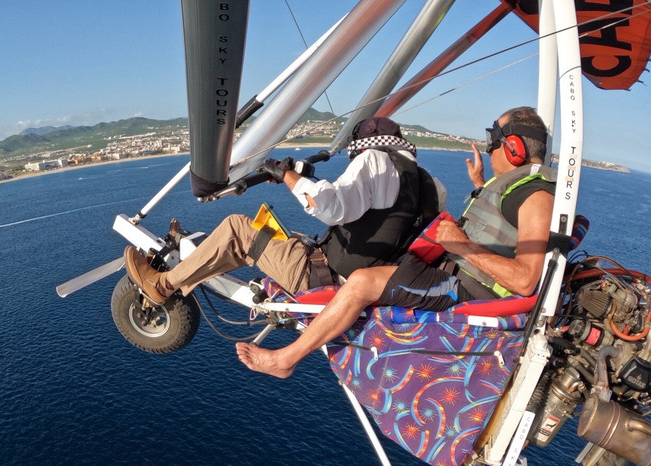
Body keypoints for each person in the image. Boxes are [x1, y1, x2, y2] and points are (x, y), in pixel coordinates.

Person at [236, 105, 556, 379]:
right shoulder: (520, 188)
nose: (489, 148)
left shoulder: (536, 195)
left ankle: (284, 360)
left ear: (514, 148)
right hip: (458, 272)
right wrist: (480, 185)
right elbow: (502, 229)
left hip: (467, 287)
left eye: (493, 139)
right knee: (381, 270)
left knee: (362, 282)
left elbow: (525, 279)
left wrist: (461, 244)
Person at [123, 116, 444, 306]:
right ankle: (189, 270)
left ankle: (162, 286)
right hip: (359, 278)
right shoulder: (428, 183)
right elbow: (369, 210)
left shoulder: (374, 160)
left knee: (237, 229)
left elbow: (331, 206)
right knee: (270, 230)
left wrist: (286, 175)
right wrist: (300, 179)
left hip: (325, 279)